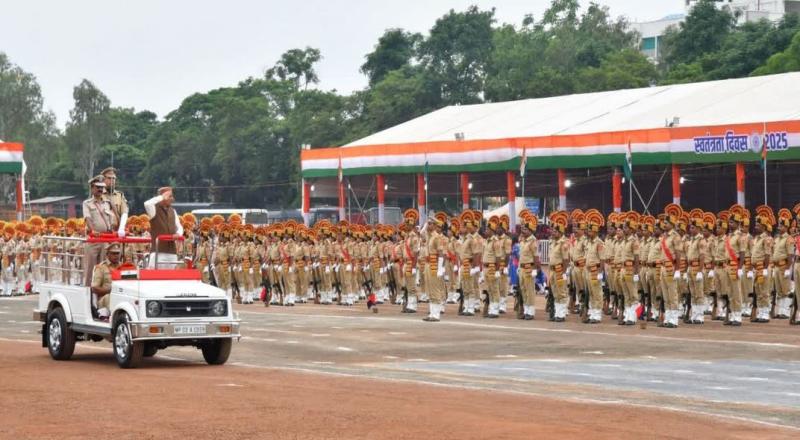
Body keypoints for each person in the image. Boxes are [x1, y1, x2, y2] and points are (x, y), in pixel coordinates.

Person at [83, 176, 117, 286]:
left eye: (102, 188)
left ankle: (103, 288)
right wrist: (92, 230)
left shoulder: (107, 203)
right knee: (91, 267)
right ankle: (88, 290)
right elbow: (87, 218)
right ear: (92, 188)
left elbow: (113, 218)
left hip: (106, 239)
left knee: (104, 267)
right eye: (97, 187)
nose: (100, 190)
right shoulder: (87, 203)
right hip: (94, 239)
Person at [143, 187, 183, 268]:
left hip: (172, 253)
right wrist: (162, 197)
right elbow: (147, 204)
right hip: (158, 252)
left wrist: (178, 234)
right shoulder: (153, 209)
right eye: (170, 196)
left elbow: (179, 227)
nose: (173, 199)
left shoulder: (173, 211)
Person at [91, 243, 122, 320]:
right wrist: (111, 291)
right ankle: (114, 317)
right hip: (104, 298)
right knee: (110, 297)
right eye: (113, 253)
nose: (116, 256)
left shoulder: (122, 267)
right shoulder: (101, 268)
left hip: (120, 295)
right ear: (107, 254)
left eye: (117, 253)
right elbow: (94, 288)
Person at [101, 167, 129, 237]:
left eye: (114, 178)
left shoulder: (120, 195)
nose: (112, 180)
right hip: (102, 232)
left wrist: (121, 228)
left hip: (117, 231)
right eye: (109, 178)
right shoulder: (99, 195)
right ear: (103, 180)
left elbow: (124, 212)